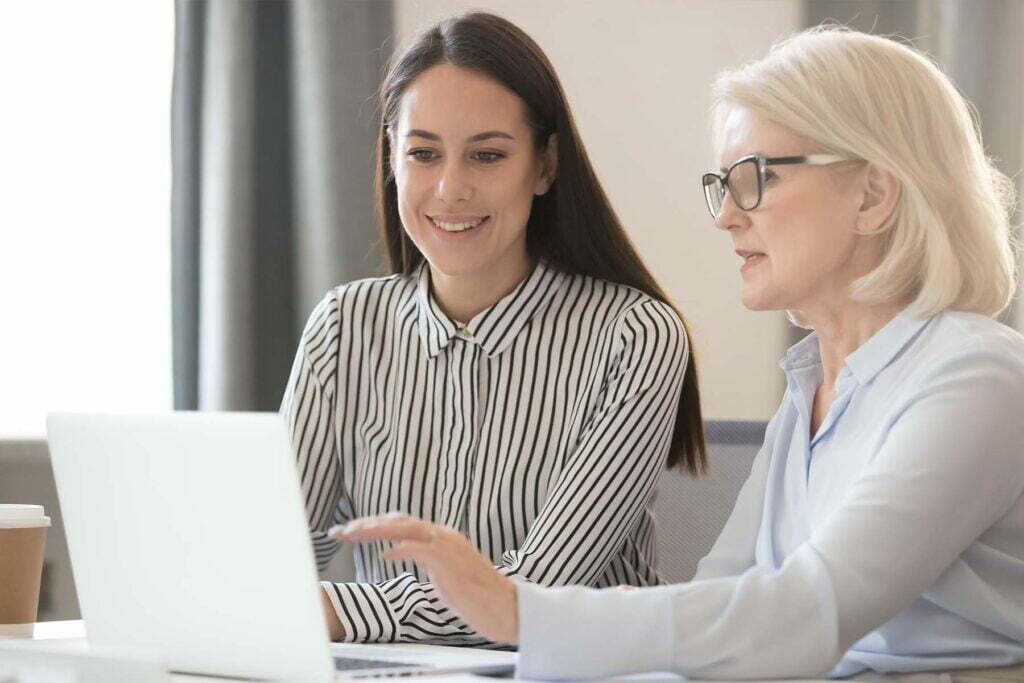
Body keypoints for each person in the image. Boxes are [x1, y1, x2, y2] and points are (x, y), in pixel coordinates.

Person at [334, 26, 1024, 680]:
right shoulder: (814, 388)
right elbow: (722, 600)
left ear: (873, 194)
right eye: (722, 186)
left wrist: (517, 609)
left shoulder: (976, 378)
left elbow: (809, 611)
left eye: (757, 176)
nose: (726, 214)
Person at [280, 12, 706, 645]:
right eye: (423, 154)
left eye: (487, 155)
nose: (451, 188)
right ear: (392, 160)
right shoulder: (345, 327)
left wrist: (340, 612)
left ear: (544, 166)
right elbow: (272, 565)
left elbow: (532, 601)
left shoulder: (635, 335)